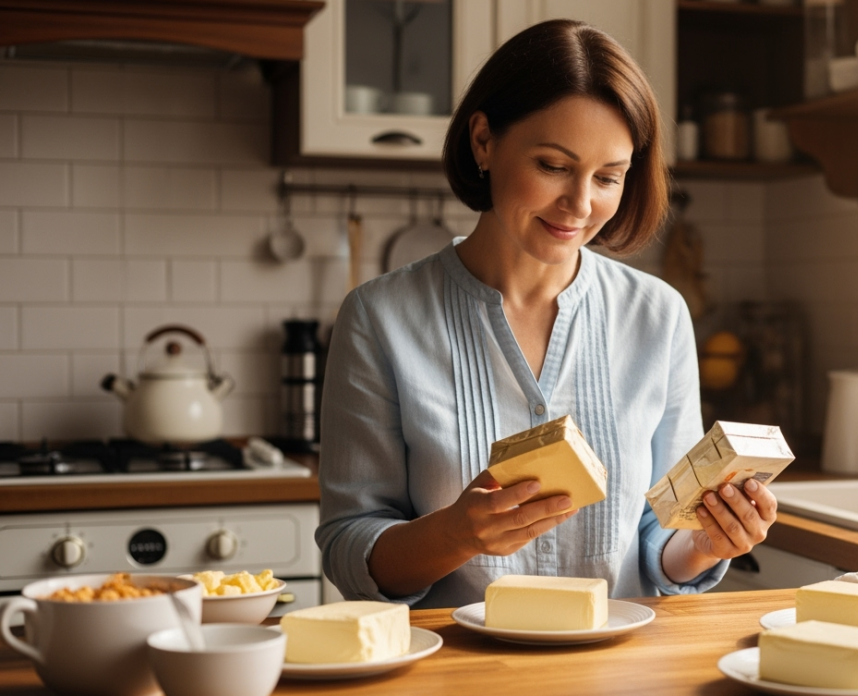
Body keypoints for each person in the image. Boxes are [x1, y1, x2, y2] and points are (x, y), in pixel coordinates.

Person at [315, 19, 779, 608]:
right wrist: (453, 534)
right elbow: (348, 545)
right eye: (554, 167)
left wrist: (712, 539)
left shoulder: (658, 316)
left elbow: (662, 537)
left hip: (620, 672)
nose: (580, 205)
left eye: (608, 177)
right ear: (484, 141)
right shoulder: (379, 317)